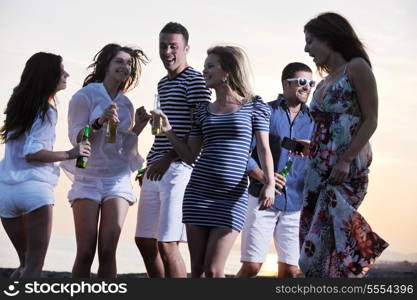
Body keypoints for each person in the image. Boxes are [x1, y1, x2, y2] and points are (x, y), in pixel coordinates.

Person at [157, 45, 275, 278]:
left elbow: (263, 149)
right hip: (198, 194)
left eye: (210, 66)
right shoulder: (202, 110)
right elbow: (191, 155)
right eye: (204, 66)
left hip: (231, 198)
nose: (204, 71)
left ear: (228, 71)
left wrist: (269, 183)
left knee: (213, 270)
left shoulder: (254, 106)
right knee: (198, 271)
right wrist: (169, 131)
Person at [299, 12, 389, 277]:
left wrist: (346, 159)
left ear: (329, 38)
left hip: (343, 173)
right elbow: (325, 127)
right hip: (316, 173)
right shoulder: (324, 81)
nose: (306, 49)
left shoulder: (357, 67)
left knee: (313, 258)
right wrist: (310, 146)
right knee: (316, 250)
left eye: (310, 41)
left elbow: (371, 120)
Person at [60, 44, 149, 278]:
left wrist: (137, 127)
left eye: (129, 63)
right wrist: (99, 121)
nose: (124, 66)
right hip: (88, 177)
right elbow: (77, 138)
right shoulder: (85, 96)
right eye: (119, 61)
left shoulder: (126, 103)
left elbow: (121, 146)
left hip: (116, 179)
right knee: (86, 251)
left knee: (108, 250)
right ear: (106, 65)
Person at [0, 52, 90, 278]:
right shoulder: (46, 110)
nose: (66, 74)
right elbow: (33, 153)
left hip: (5, 191)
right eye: (61, 70)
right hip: (34, 190)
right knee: (33, 267)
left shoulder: (17, 105)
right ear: (48, 75)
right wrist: (71, 152)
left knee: (23, 265)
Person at [135, 22, 211, 278]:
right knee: (145, 241)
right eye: (163, 46)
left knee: (168, 245)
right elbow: (164, 129)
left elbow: (199, 135)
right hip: (154, 166)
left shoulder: (197, 81)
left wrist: (168, 157)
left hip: (178, 168)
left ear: (186, 48)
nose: (167, 51)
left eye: (173, 46)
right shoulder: (162, 84)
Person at [236, 62, 315, 278]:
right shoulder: (266, 112)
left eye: (311, 83)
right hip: (262, 200)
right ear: (285, 84)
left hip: (296, 204)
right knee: (252, 266)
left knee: (290, 270)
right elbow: (243, 153)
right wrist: (265, 178)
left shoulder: (313, 121)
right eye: (301, 82)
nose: (307, 87)